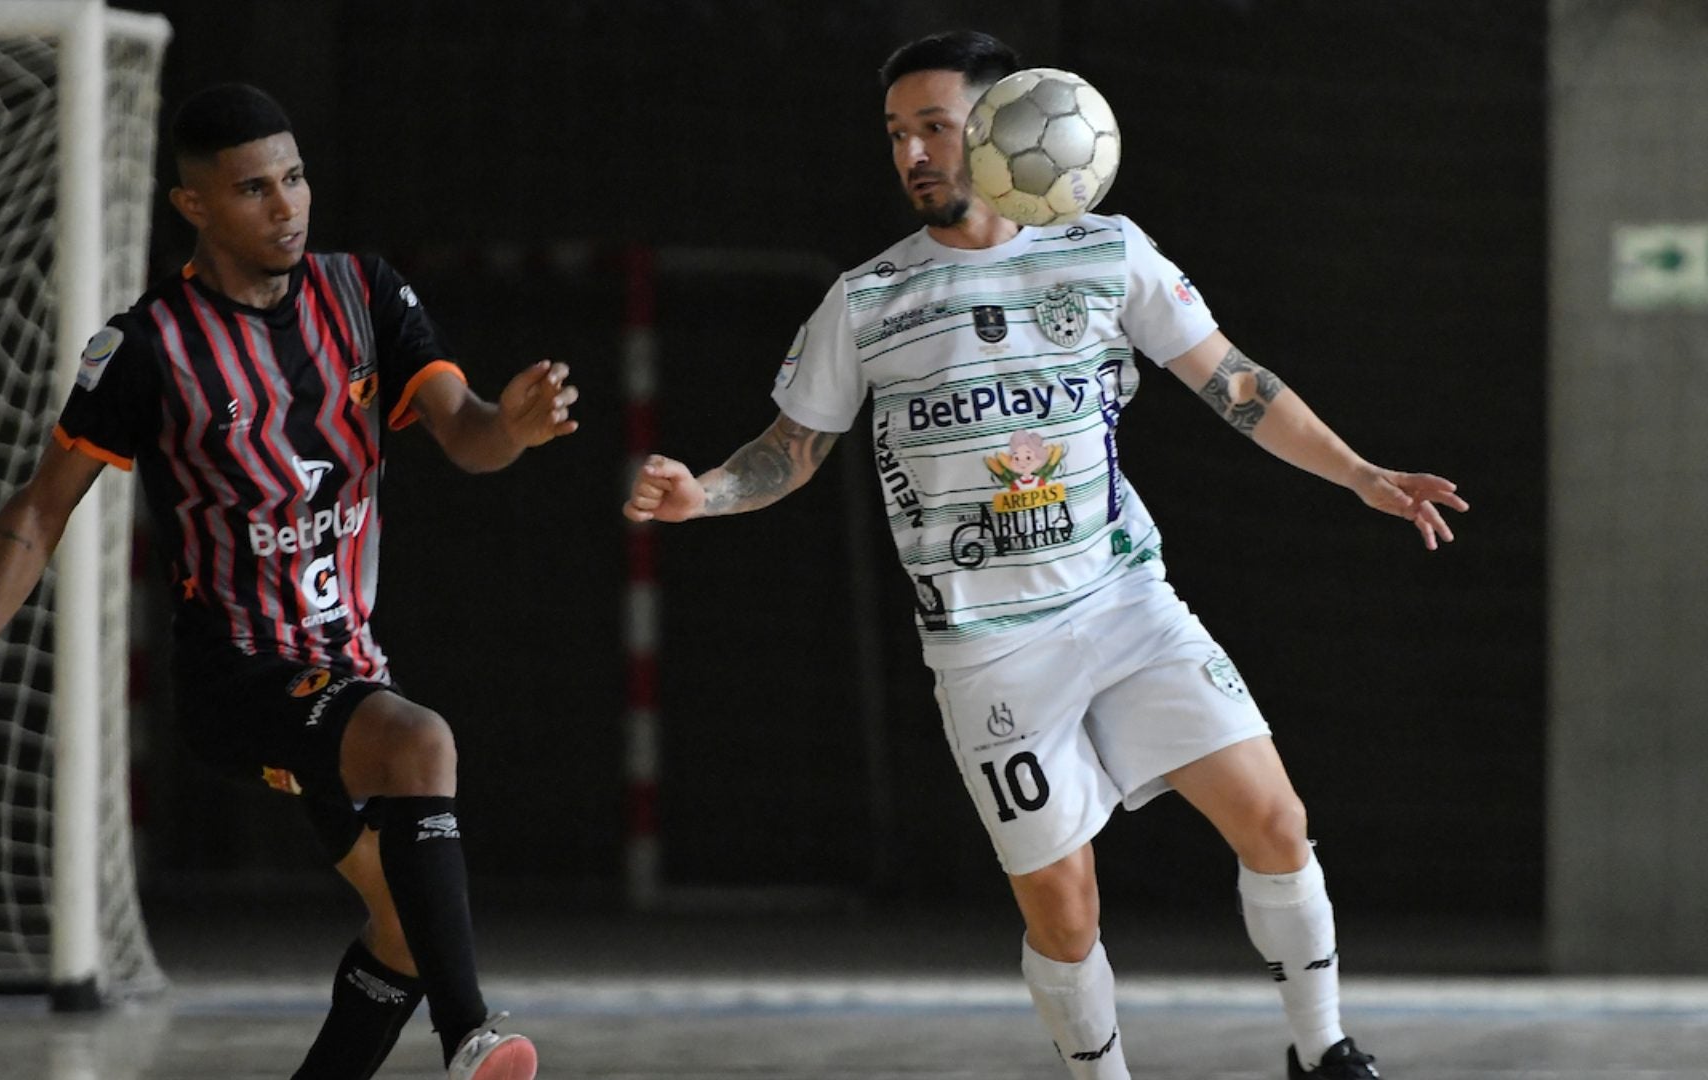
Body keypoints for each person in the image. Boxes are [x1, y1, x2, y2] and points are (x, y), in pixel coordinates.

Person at [623, 30, 1466, 1080]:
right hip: (990, 654)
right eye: (896, 134)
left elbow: (1236, 383)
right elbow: (793, 447)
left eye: (935, 127)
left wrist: (1360, 473)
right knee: (1066, 915)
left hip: (1126, 605)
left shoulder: (1105, 252)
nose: (913, 154)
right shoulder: (869, 300)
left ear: (1004, 128)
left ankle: (1322, 1050)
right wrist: (702, 494)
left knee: (1276, 818)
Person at [0, 85, 568, 1080]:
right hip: (239, 678)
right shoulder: (148, 346)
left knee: (404, 928)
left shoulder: (363, 294)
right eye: (253, 188)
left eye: (293, 177)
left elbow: (466, 432)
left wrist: (512, 425)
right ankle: (468, 1037)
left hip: (347, 668)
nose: (286, 204)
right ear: (193, 206)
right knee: (423, 743)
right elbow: (39, 510)